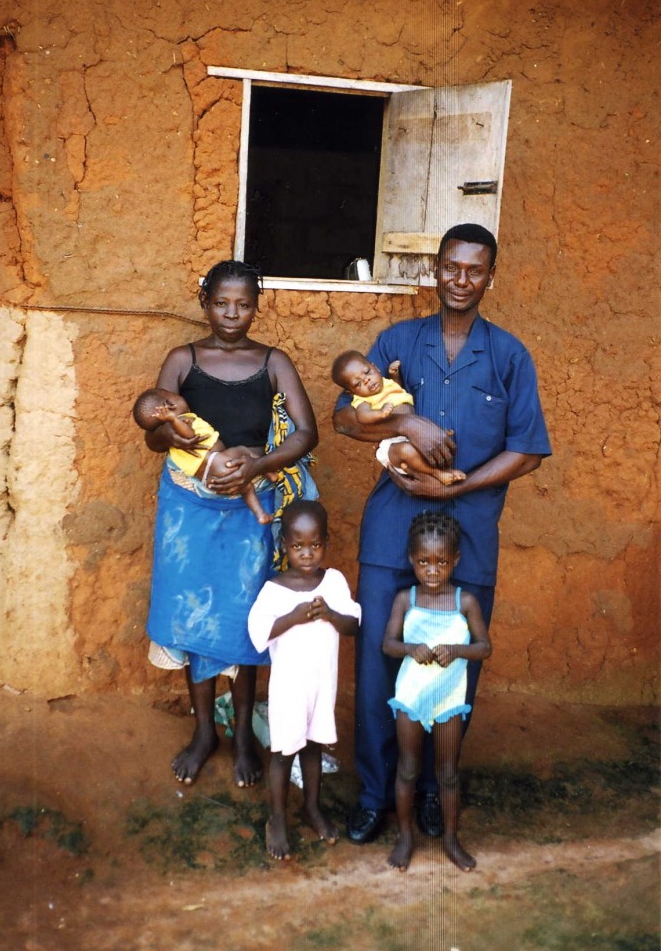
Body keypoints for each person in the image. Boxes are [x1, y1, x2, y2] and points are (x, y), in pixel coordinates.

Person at [332, 222, 551, 843]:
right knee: (380, 661)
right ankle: (376, 795)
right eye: (451, 267)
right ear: (435, 269)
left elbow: (528, 450)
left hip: (469, 531)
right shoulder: (398, 340)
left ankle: (432, 791)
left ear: (490, 277)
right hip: (393, 530)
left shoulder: (509, 355)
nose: (461, 280)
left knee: (454, 668)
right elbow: (345, 418)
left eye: (474, 270)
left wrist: (457, 487)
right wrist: (408, 421)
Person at [143, 260, 318, 788]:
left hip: (251, 505)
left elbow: (306, 433)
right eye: (221, 303)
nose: (232, 314)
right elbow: (153, 433)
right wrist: (178, 437)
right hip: (187, 508)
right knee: (190, 613)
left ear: (256, 307)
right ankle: (204, 733)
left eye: (243, 304)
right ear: (205, 302)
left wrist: (257, 465)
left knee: (244, 619)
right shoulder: (183, 360)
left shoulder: (273, 362)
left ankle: (241, 735)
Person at [247, 500, 360, 860]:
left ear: (326, 542)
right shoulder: (274, 590)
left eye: (315, 545)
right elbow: (259, 633)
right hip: (289, 690)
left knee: (313, 747)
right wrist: (293, 617)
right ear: (284, 545)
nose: (307, 554)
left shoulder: (334, 582)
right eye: (298, 546)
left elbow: (353, 625)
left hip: (321, 686)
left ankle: (312, 807)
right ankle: (277, 819)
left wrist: (331, 613)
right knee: (283, 753)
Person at [383, 512, 491, 872]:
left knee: (447, 772)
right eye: (423, 562)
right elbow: (388, 644)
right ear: (411, 559)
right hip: (411, 695)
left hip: (448, 699)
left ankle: (451, 839)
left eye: (441, 563)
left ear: (455, 560)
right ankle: (405, 837)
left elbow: (484, 647)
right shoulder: (406, 599)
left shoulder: (465, 602)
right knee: (408, 768)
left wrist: (457, 650)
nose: (432, 571)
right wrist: (409, 648)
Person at [133, 387, 275, 524]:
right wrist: (174, 419)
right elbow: (190, 436)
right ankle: (267, 471)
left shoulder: (169, 441)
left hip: (208, 479)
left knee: (247, 488)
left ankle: (261, 515)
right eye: (176, 395)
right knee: (243, 451)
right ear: (170, 405)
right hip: (218, 461)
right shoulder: (179, 422)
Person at [331, 350, 465, 486]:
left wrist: (394, 375)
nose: (366, 380)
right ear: (351, 392)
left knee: (430, 437)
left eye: (367, 372)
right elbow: (362, 417)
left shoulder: (386, 383)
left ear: (375, 367)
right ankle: (437, 474)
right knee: (406, 451)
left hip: (414, 432)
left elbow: (398, 390)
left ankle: (442, 452)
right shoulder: (363, 400)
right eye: (358, 384)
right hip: (394, 442)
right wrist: (380, 413)